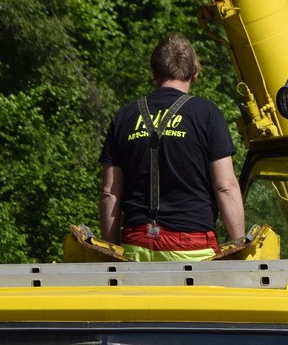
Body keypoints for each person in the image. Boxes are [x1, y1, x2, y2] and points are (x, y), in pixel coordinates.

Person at [99, 32, 244, 261]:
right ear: (194, 74)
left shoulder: (125, 116)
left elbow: (110, 193)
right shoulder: (207, 114)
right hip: (192, 248)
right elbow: (225, 187)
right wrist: (239, 248)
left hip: (136, 246)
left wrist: (111, 253)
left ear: (154, 73)